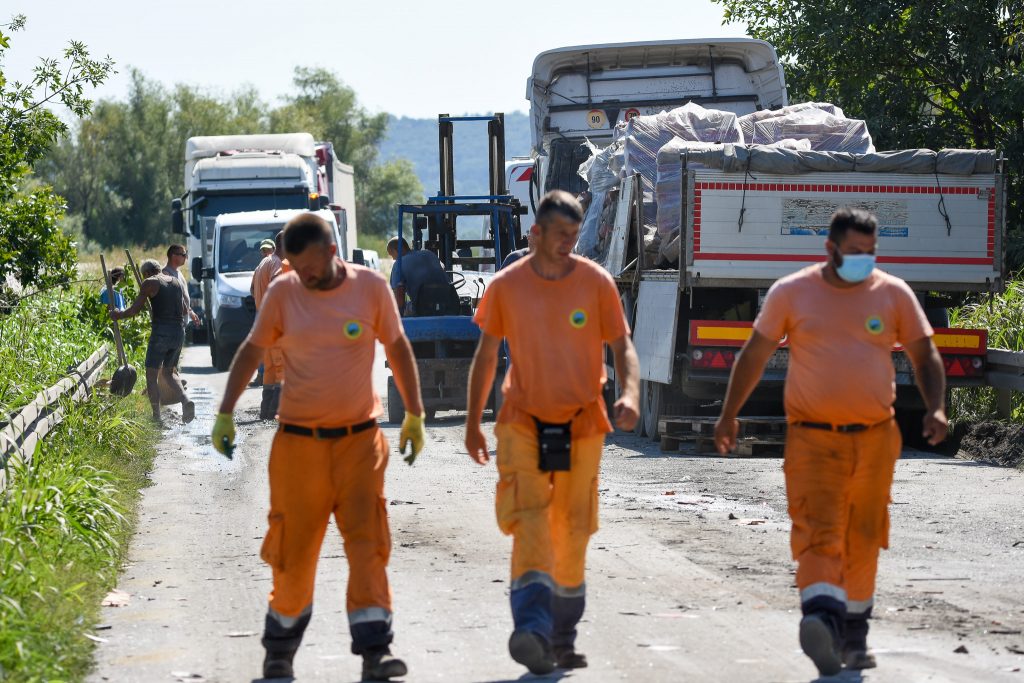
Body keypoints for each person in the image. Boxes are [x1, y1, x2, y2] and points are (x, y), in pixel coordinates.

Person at [712, 207, 948, 676]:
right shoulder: (793, 292)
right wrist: (728, 414)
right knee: (818, 529)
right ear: (830, 249)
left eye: (871, 252)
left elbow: (925, 355)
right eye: (854, 252)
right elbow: (754, 354)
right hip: (812, 439)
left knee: (864, 535)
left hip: (876, 438)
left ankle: (854, 635)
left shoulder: (892, 293)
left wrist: (937, 406)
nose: (864, 260)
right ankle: (820, 617)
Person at [211, 213, 427, 681]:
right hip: (299, 447)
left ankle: (375, 655)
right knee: (293, 551)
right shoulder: (284, 291)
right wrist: (226, 410)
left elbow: (397, 347)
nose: (302, 276)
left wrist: (414, 413)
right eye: (294, 266)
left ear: (332, 252)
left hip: (359, 443)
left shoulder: (369, 288)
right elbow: (251, 349)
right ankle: (279, 655)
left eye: (308, 267)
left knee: (369, 546)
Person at [464, 190, 640, 675]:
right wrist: (472, 420)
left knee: (573, 528)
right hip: (522, 420)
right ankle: (533, 628)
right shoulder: (506, 286)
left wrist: (631, 394)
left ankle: (561, 635)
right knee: (531, 521)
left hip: (582, 424)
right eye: (560, 235)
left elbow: (622, 346)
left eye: (574, 236)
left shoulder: (595, 283)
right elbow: (485, 355)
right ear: (535, 233)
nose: (568, 243)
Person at [112, 259, 195, 424]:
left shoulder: (150, 282)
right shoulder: (176, 281)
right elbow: (185, 309)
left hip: (161, 334)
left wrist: (118, 314)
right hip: (178, 332)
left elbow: (134, 310)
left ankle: (156, 417)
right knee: (169, 372)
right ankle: (185, 400)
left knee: (151, 375)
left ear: (147, 273)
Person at [250, 231, 286, 418]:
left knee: (270, 370)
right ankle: (277, 409)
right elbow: (277, 280)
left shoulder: (263, 263)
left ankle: (267, 410)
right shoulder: (278, 264)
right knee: (281, 367)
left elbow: (252, 288)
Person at [386, 237, 451, 315]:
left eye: (391, 254)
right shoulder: (429, 253)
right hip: (449, 303)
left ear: (397, 249)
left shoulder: (398, 264)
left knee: (405, 310)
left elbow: (398, 296)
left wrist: (398, 317)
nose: (393, 259)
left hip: (423, 308)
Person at [164, 244, 201, 329]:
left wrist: (190, 312)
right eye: (183, 255)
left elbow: (183, 296)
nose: (186, 257)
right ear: (174, 256)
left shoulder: (178, 272)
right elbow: (173, 299)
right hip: (173, 323)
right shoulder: (166, 274)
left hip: (180, 323)